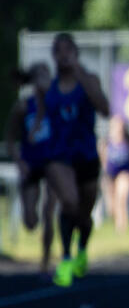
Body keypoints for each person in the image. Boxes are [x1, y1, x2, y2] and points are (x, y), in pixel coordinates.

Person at [43, 34, 111, 287]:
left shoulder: (88, 80)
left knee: (84, 212)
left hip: (87, 155)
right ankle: (65, 257)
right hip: (60, 155)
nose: (63, 55)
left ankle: (82, 247)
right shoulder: (48, 87)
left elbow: (105, 109)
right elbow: (38, 115)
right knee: (68, 201)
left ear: (76, 53)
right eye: (58, 51)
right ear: (53, 55)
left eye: (67, 50)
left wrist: (81, 75)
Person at [5, 63, 59, 276]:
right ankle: (30, 220)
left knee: (49, 212)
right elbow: (10, 137)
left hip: (53, 164)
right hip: (30, 164)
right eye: (39, 76)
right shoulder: (23, 106)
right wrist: (19, 161)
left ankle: (45, 260)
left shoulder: (57, 103)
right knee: (30, 220)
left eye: (46, 75)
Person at [99, 115, 129, 234]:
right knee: (111, 205)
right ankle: (116, 222)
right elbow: (102, 158)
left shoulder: (128, 139)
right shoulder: (106, 141)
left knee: (122, 198)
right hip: (110, 174)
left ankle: (122, 228)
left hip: (124, 172)